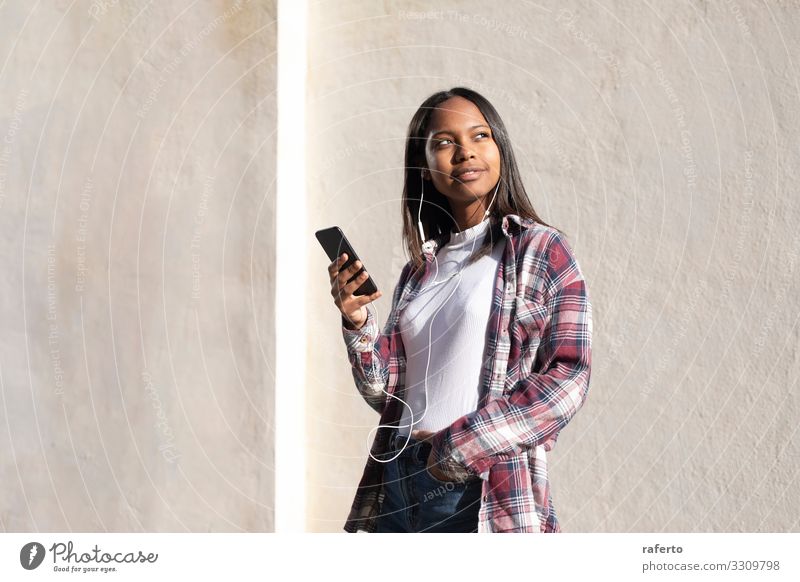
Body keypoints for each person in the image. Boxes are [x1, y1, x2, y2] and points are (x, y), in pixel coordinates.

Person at [327, 87, 593, 533]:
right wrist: (357, 324)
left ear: (500, 150)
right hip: (397, 479)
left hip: (479, 488)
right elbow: (386, 394)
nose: (465, 152)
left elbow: (569, 377)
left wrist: (458, 447)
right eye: (444, 142)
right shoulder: (418, 272)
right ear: (425, 169)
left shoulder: (539, 249)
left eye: (480, 135)